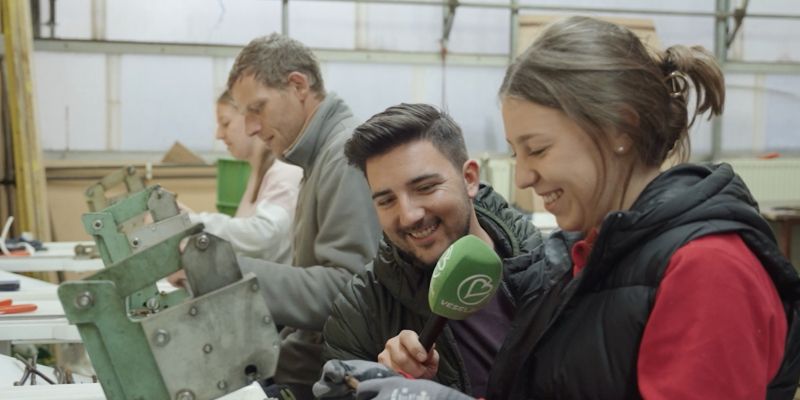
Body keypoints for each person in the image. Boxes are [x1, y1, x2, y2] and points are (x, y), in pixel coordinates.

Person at [316, 16, 800, 400]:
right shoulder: (588, 253)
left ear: (620, 130)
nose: (523, 176)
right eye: (516, 152)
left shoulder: (707, 269)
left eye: (538, 149)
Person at [318, 103, 573, 398]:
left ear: (469, 179)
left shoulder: (558, 271)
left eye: (425, 187)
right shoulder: (360, 311)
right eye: (386, 201)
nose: (409, 215)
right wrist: (390, 387)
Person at [177, 34, 381, 399]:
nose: (252, 127)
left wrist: (219, 270)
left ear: (298, 85)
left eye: (258, 108)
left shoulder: (342, 157)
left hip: (322, 379)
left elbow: (347, 290)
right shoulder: (315, 157)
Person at [185, 90, 302, 264]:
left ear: (251, 120)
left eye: (225, 123)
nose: (219, 134)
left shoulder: (286, 170)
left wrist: (193, 222)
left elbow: (263, 235)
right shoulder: (257, 173)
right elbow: (242, 237)